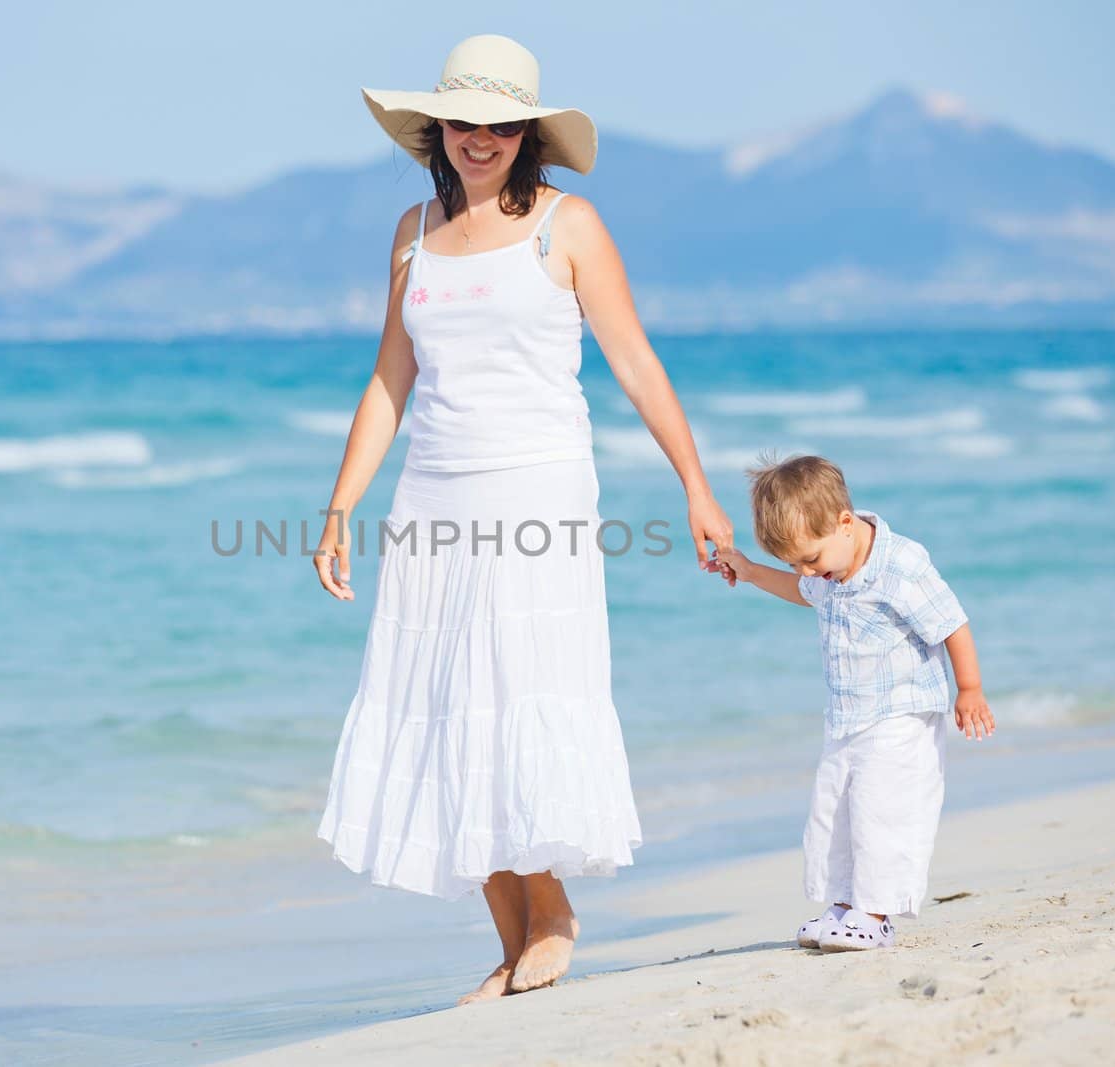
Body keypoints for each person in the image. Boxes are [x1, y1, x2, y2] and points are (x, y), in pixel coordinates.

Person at [312, 34, 734, 1003]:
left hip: (538, 494)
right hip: (432, 498)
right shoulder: (412, 231)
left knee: (514, 685)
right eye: (465, 121)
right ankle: (509, 943)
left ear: (526, 134)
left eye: (501, 124)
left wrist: (695, 486)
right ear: (438, 127)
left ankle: (552, 914)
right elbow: (389, 378)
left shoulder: (566, 225)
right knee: (449, 701)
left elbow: (633, 360)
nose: (481, 138)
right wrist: (341, 505)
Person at [708, 454, 995, 951]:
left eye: (811, 559)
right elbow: (803, 591)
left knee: (883, 811)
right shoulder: (829, 570)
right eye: (794, 562)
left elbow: (951, 621)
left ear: (844, 523)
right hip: (848, 717)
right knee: (834, 812)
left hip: (901, 715)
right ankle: (843, 905)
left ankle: (876, 915)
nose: (806, 572)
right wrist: (753, 572)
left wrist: (969, 689)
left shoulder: (900, 563)